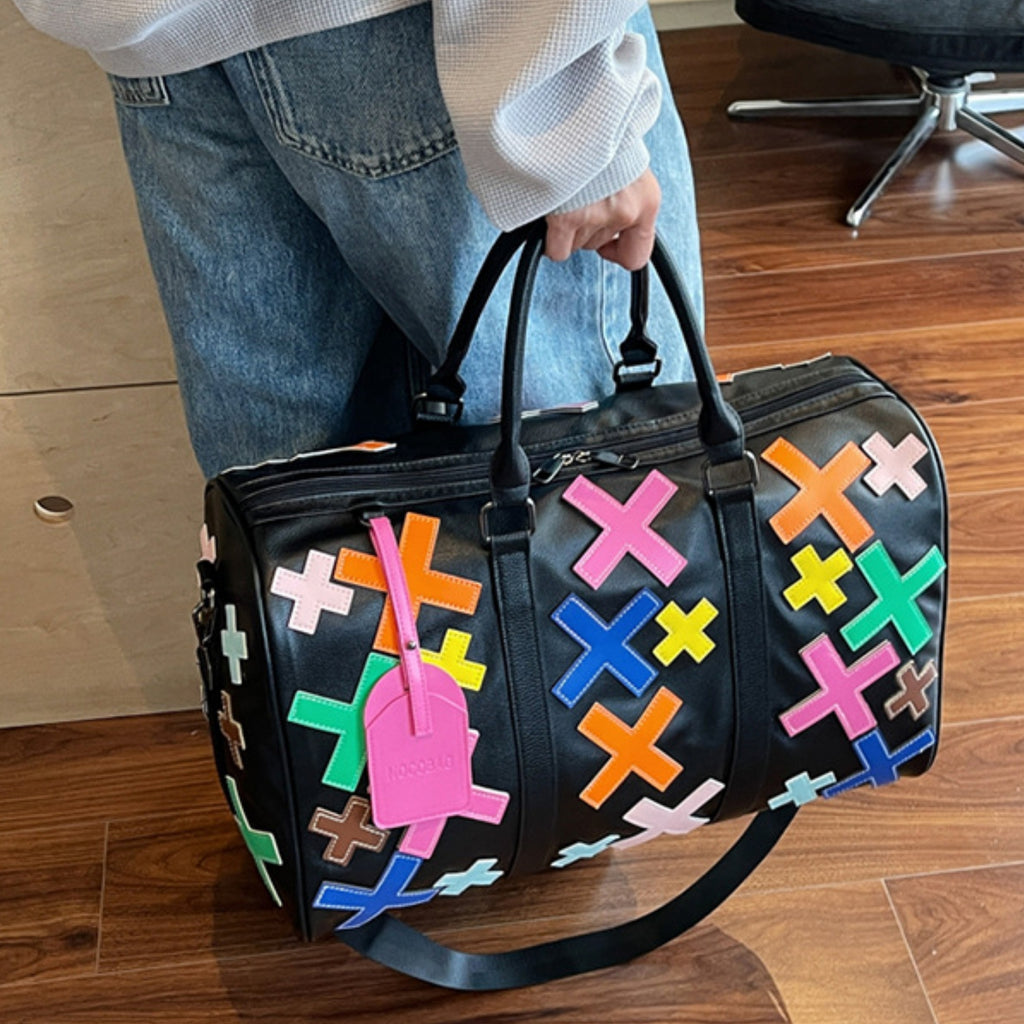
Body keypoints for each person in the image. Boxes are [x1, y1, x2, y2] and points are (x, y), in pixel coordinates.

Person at [14, 1, 702, 478]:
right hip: (418, 32)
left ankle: (376, 695)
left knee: (297, 501)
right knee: (600, 474)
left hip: (159, 49)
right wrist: (570, 111)